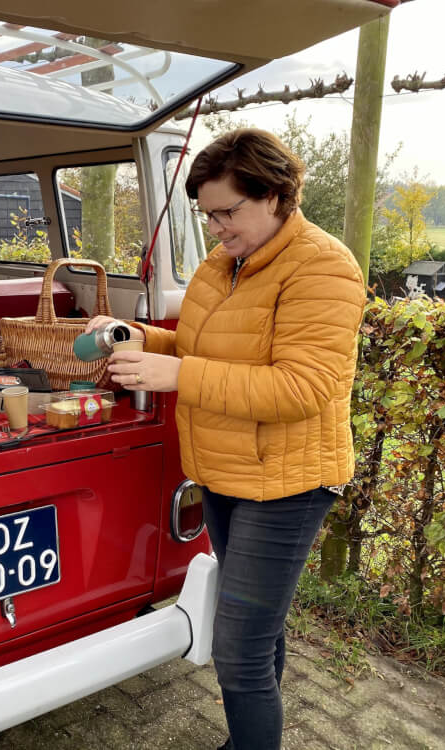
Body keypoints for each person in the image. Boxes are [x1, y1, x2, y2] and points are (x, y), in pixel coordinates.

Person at [85, 128, 366, 750]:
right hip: (225, 473)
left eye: (227, 211)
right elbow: (195, 349)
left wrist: (178, 376)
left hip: (287, 484)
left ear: (274, 195)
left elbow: (304, 387)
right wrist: (133, 337)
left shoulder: (324, 266)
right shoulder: (223, 265)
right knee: (258, 632)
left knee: (237, 650)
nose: (215, 227)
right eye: (206, 214)